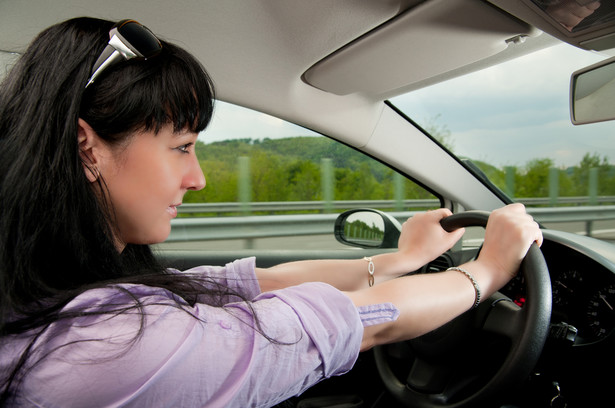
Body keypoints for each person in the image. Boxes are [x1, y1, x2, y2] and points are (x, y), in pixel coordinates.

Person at [0, 17, 542, 407]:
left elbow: (257, 283)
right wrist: (486, 273)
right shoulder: (106, 347)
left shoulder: (76, 293)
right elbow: (357, 322)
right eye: (182, 146)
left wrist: (401, 258)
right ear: (87, 147)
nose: (199, 177)